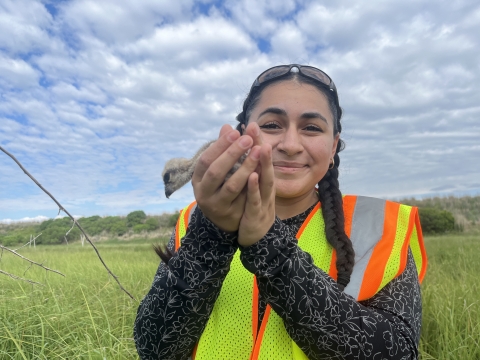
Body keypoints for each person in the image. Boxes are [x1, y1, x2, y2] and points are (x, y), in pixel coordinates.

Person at [134, 64, 427, 359]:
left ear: (334, 145)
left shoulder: (379, 228)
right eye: (272, 125)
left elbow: (398, 353)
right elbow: (156, 349)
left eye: (312, 127)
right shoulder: (194, 222)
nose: (289, 145)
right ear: (240, 138)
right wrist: (211, 233)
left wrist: (270, 248)